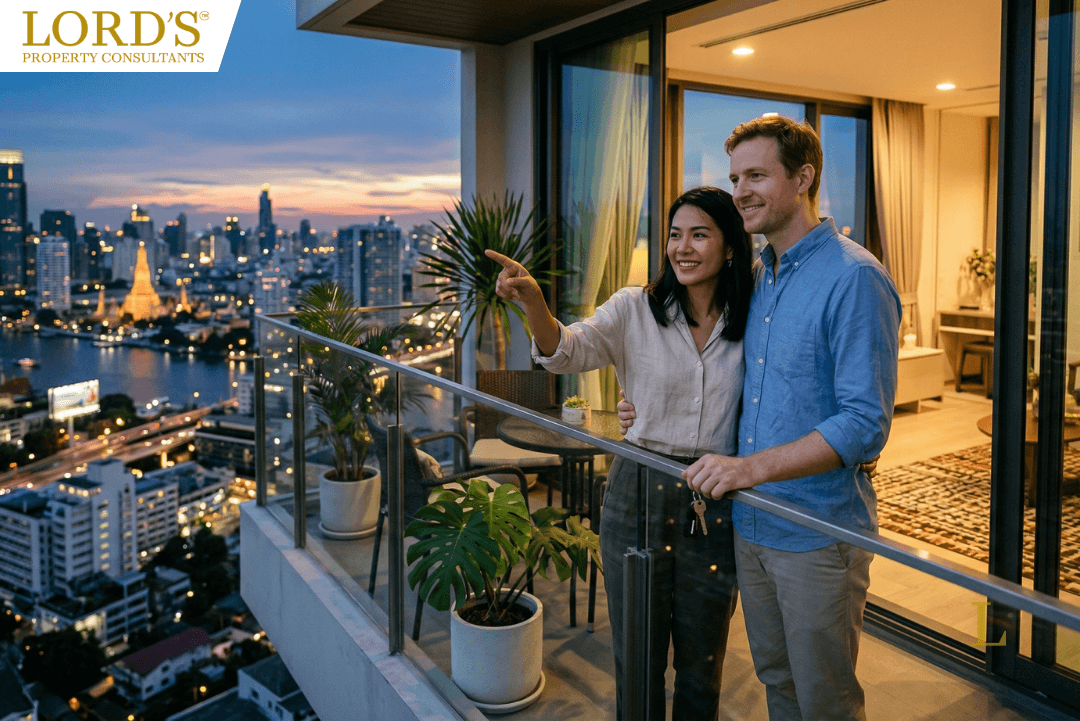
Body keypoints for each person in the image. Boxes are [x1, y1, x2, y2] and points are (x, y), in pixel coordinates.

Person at [620, 117, 901, 720]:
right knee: (778, 681)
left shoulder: (854, 278)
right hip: (751, 528)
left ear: (804, 178)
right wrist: (646, 401)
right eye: (734, 177)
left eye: (756, 175)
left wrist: (748, 469)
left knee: (825, 700)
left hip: (818, 533)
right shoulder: (759, 277)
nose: (740, 190)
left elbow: (864, 422)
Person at [485, 186, 754, 721]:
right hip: (639, 487)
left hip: (716, 495)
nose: (683, 247)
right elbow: (566, 352)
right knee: (638, 648)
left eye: (700, 234)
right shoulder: (635, 309)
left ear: (730, 248)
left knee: (705, 654)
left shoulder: (755, 319)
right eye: (675, 234)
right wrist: (535, 304)